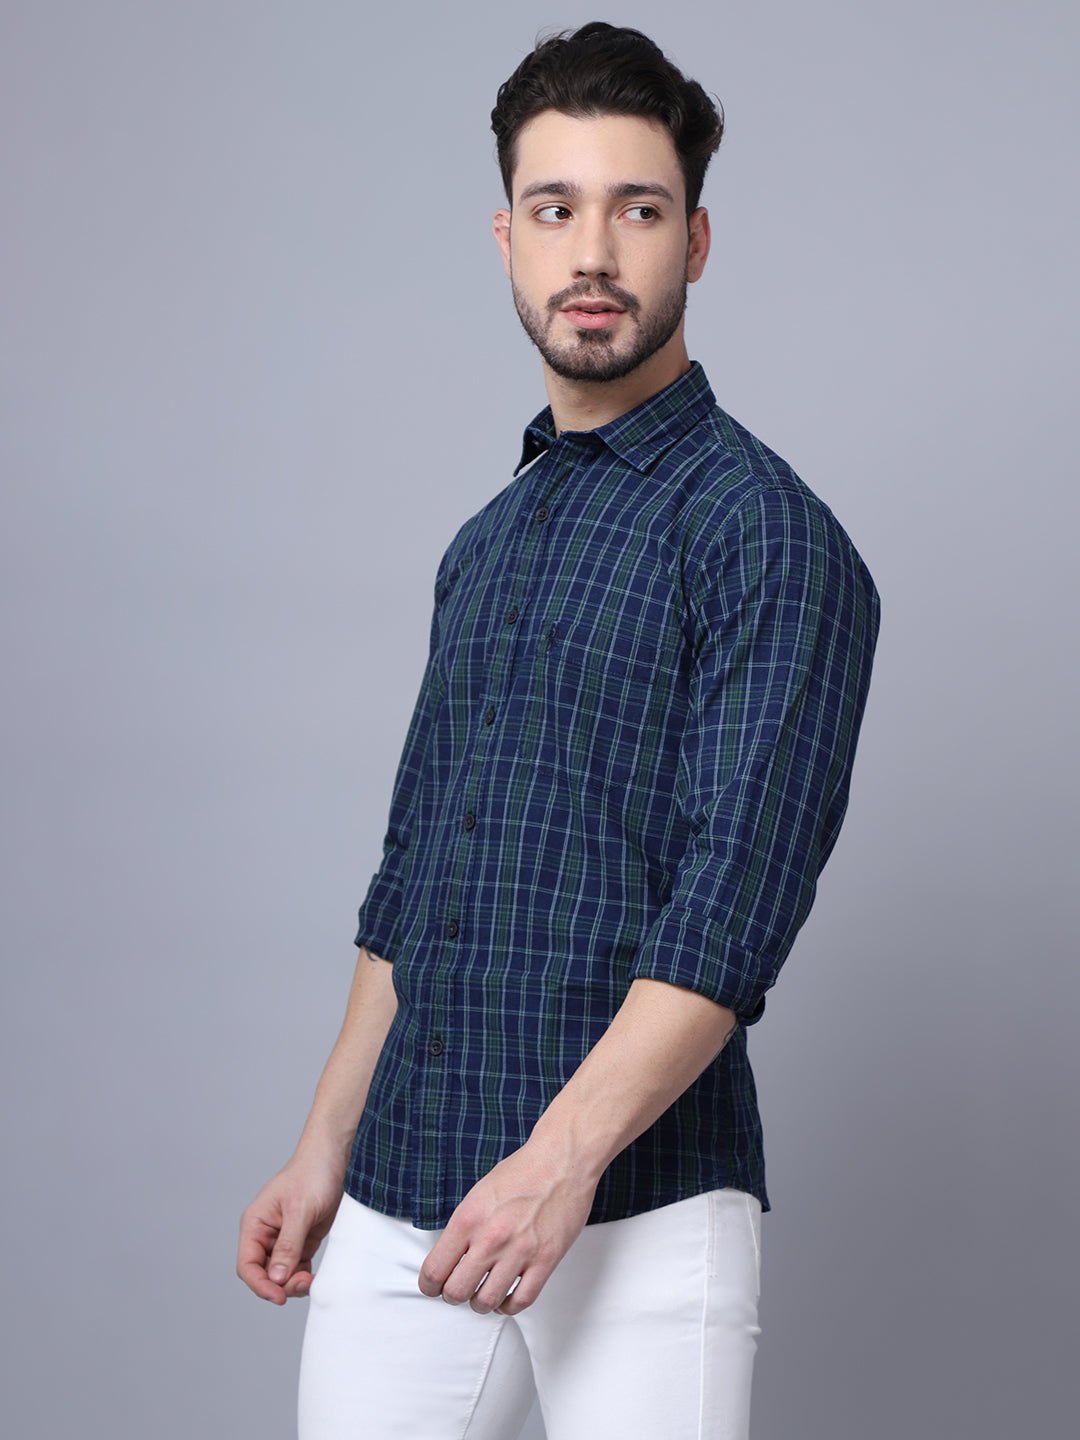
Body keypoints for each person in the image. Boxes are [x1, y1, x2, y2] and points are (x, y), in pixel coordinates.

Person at [237, 21, 879, 1440]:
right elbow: (416, 879)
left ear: (694, 241)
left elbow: (733, 908)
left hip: (638, 1207)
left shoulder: (769, 536)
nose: (593, 252)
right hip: (401, 1197)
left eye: (637, 210)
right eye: (555, 209)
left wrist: (559, 1162)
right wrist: (325, 1143)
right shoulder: (484, 545)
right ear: (507, 239)